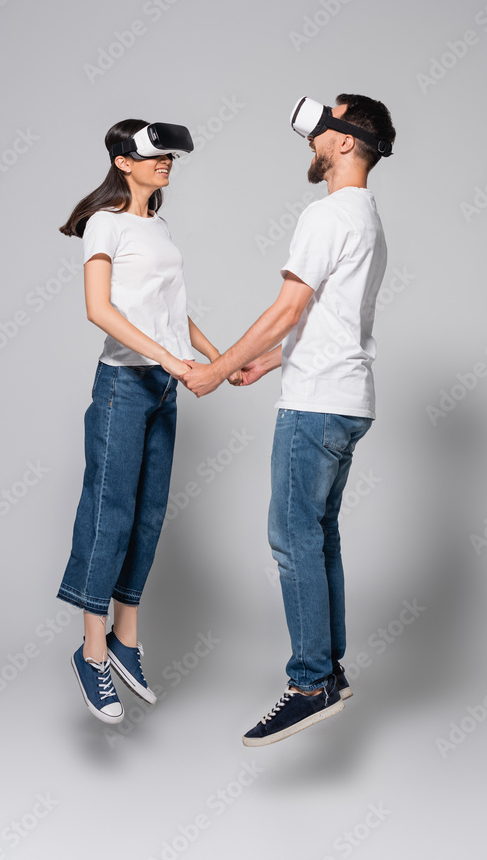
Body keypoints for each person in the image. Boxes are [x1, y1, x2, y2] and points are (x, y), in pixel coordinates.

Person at [181, 93, 395, 745]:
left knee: (289, 534)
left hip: (315, 405)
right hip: (345, 398)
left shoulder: (327, 213)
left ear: (344, 141)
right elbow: (331, 322)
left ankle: (309, 685)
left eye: (322, 125)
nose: (310, 138)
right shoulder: (367, 217)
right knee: (316, 535)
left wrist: (216, 371)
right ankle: (328, 670)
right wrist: (269, 363)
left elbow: (287, 308)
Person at [56, 117, 240, 724]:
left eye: (170, 157)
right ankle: (91, 651)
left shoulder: (159, 227)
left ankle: (126, 643)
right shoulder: (105, 225)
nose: (166, 163)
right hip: (123, 386)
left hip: (165, 386)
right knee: (108, 509)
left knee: (149, 512)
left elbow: (173, 312)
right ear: (121, 162)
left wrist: (219, 359)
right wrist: (165, 358)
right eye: (155, 155)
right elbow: (97, 309)